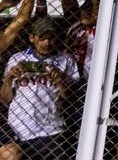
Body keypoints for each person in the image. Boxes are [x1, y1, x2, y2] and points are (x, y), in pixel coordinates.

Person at [1, 17, 80, 159]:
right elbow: (4, 99)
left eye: (51, 38)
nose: (47, 43)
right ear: (32, 38)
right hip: (18, 128)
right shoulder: (17, 58)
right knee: (11, 155)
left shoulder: (65, 59)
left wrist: (60, 81)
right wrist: (10, 78)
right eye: (42, 38)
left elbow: (71, 98)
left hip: (51, 129)